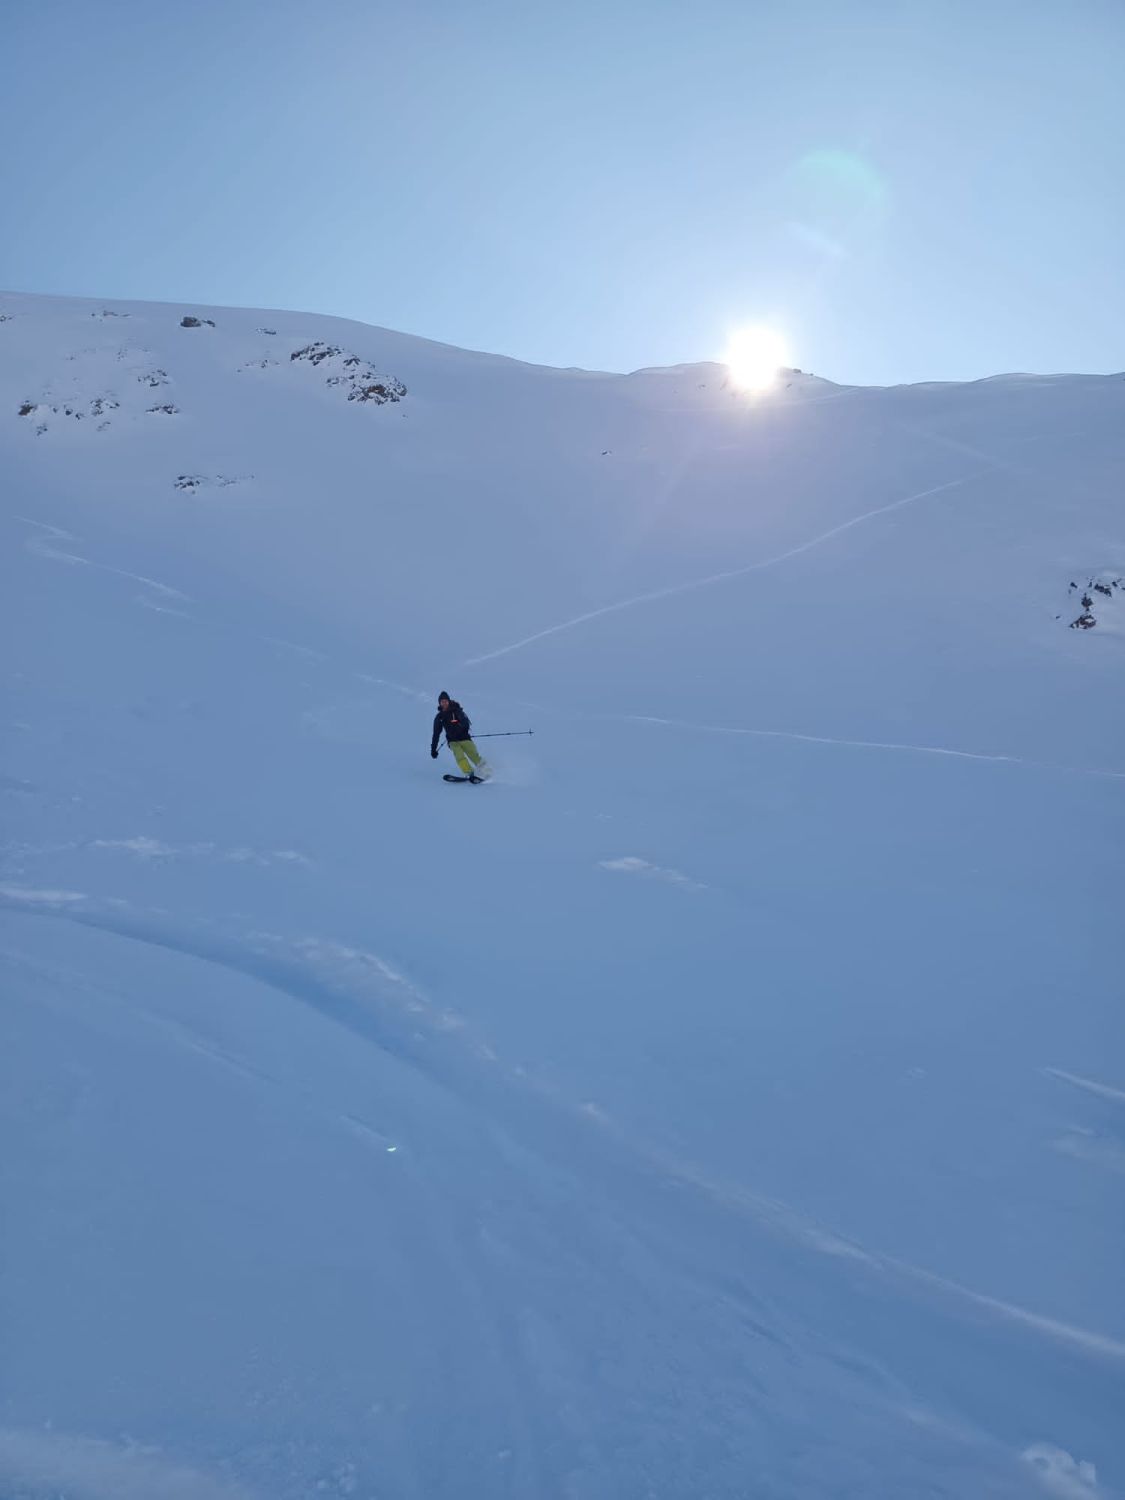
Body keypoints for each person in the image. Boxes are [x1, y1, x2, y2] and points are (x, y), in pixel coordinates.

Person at [430, 692, 490, 779]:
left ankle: (487, 771)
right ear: (439, 703)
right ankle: (469, 773)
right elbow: (436, 734)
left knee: (473, 755)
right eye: (442, 702)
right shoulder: (439, 717)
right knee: (459, 756)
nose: (444, 703)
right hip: (453, 741)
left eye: (446, 701)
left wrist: (458, 728)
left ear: (449, 701)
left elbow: (466, 724)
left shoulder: (457, 711)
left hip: (464, 738)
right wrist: (433, 749)